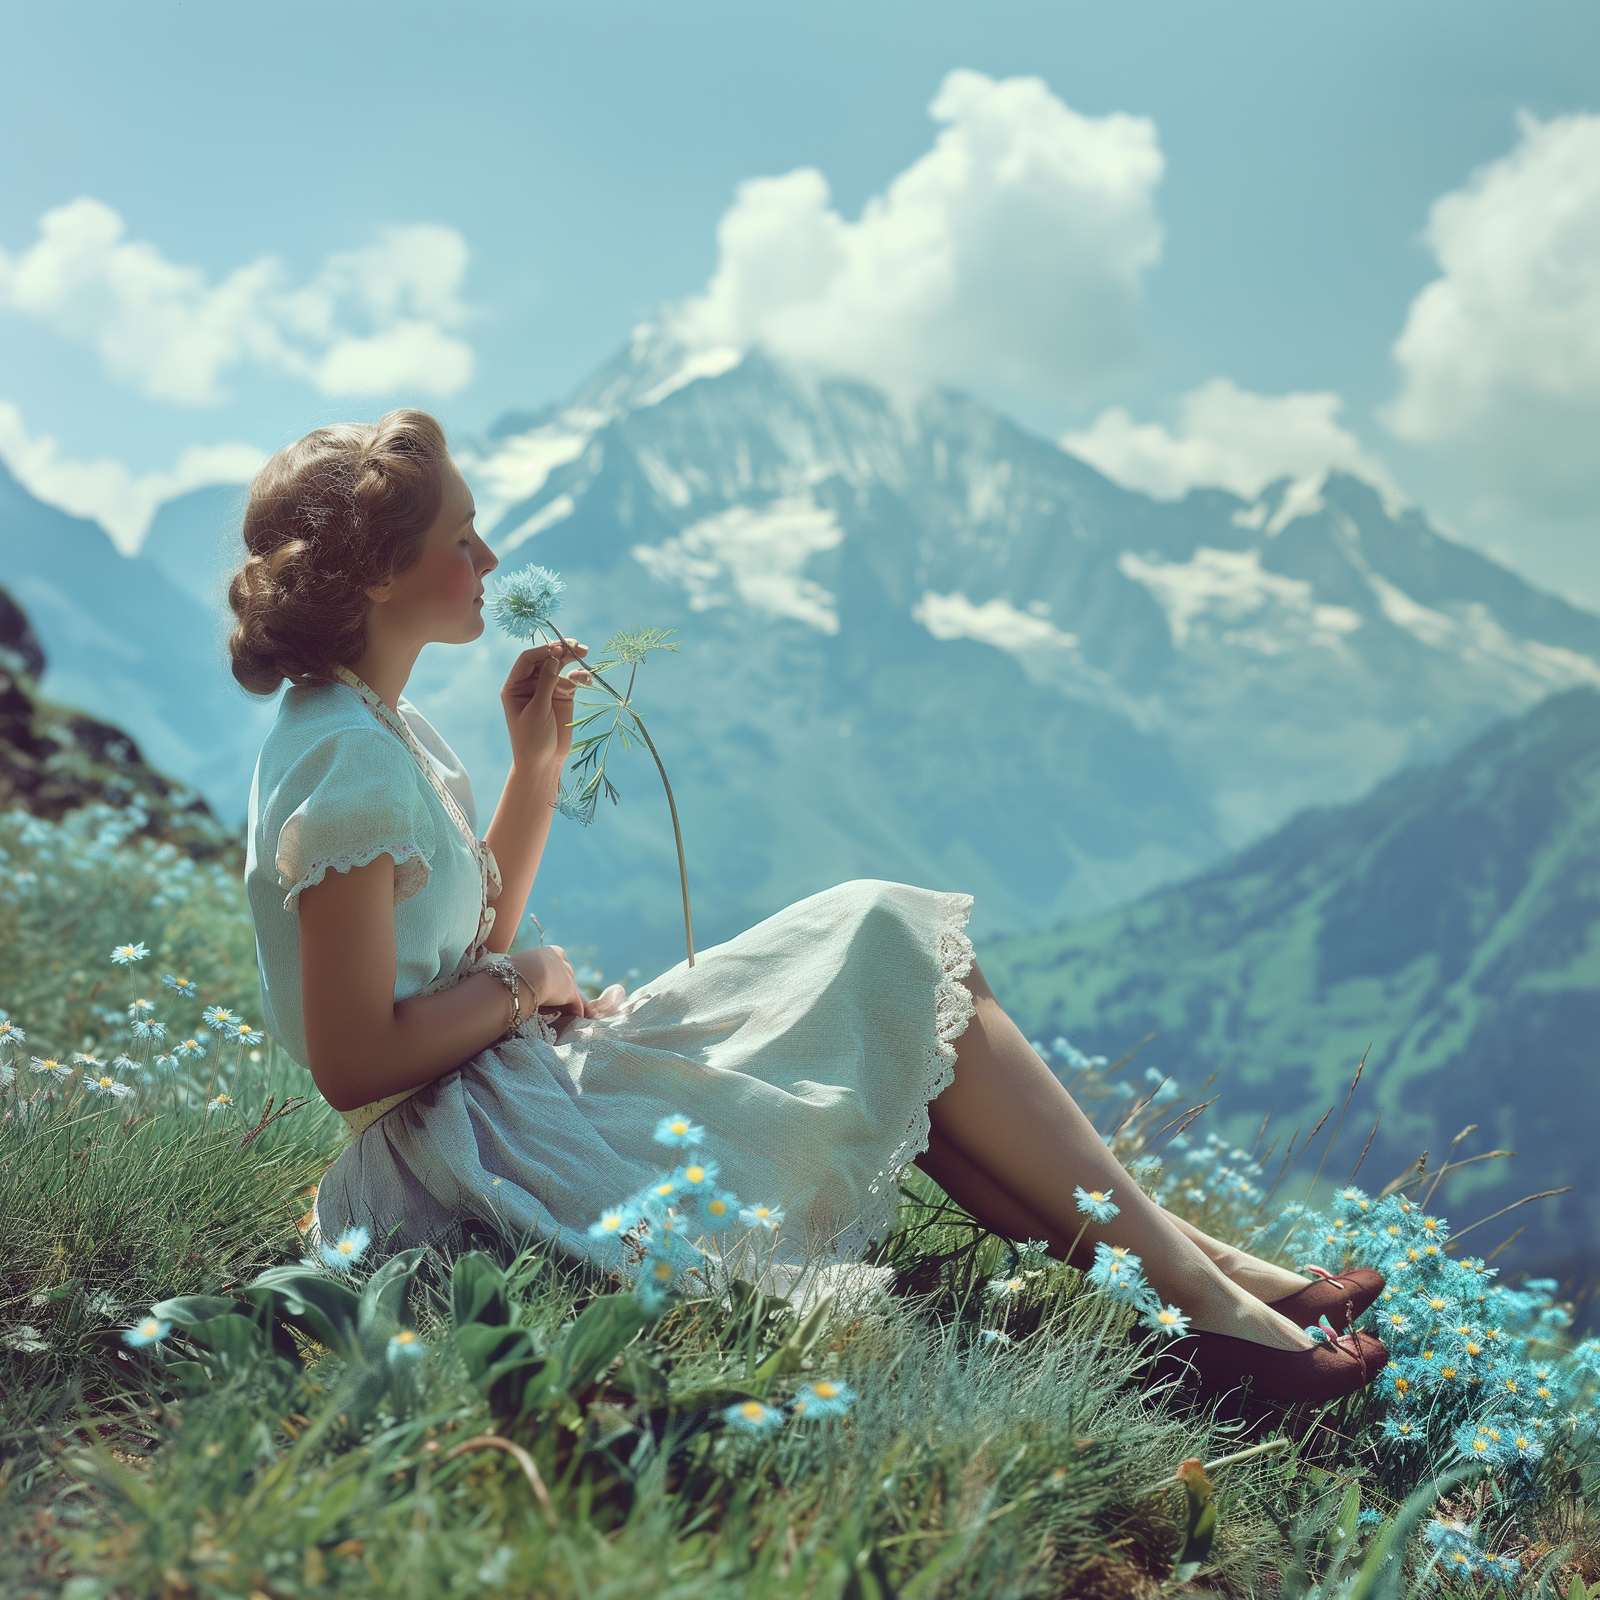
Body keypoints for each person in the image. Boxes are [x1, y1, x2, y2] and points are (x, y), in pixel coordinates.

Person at [229, 409, 1386, 1404]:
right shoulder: (351, 761)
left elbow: (443, 954)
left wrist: (534, 776)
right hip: (465, 1163)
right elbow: (353, 1061)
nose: (486, 555)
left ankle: (1194, 1286)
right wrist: (525, 984)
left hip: (495, 1104)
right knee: (883, 950)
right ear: (379, 574)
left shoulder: (381, 731)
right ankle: (1198, 1296)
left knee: (886, 997)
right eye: (460, 536)